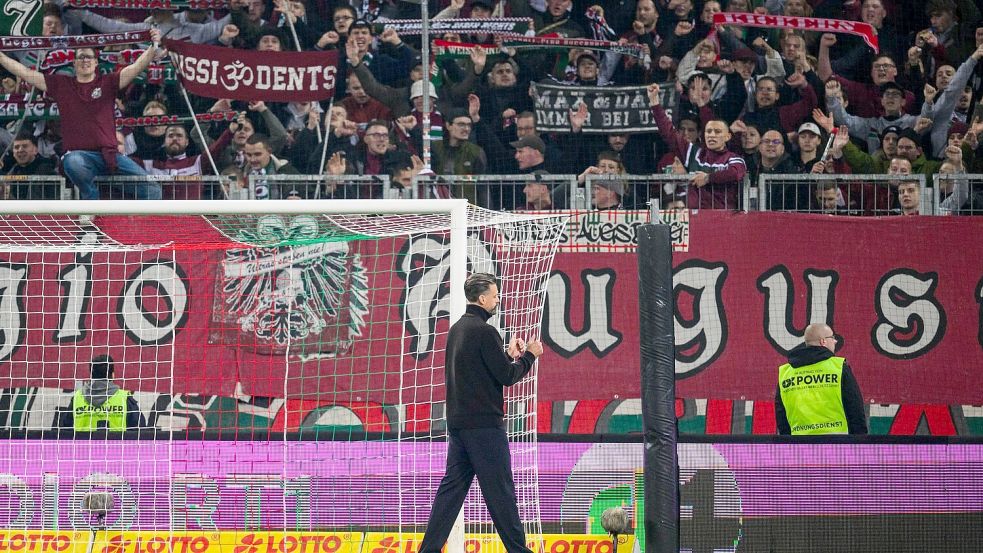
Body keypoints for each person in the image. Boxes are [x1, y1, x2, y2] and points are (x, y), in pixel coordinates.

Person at [419, 273, 543, 553]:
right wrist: (530, 355)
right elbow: (507, 376)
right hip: (484, 428)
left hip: (459, 426)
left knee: (450, 495)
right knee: (502, 495)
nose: (498, 300)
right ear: (483, 298)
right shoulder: (486, 332)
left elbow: (481, 369)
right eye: (495, 295)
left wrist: (507, 355)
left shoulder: (458, 329)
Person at [0, 29, 164, 200]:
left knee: (153, 190)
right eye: (81, 57)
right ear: (74, 63)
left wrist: (153, 46)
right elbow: (26, 73)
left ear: (96, 62)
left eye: (89, 57)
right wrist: (1, 57)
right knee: (73, 162)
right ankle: (91, 208)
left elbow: (136, 67)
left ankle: (133, 219)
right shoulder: (61, 85)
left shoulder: (109, 82)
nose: (85, 60)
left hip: (110, 155)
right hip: (79, 156)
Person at [775, 323, 867, 435]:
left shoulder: (786, 373)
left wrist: (789, 441)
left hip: (799, 443)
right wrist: (860, 440)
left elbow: (781, 416)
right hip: (837, 442)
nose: (835, 341)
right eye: (832, 337)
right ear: (823, 341)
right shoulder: (838, 368)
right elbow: (855, 408)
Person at [60, 355, 145, 431]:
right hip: (117, 444)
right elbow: (140, 432)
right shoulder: (124, 398)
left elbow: (64, 432)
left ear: (91, 375)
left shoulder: (77, 398)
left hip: (83, 444)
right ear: (112, 375)